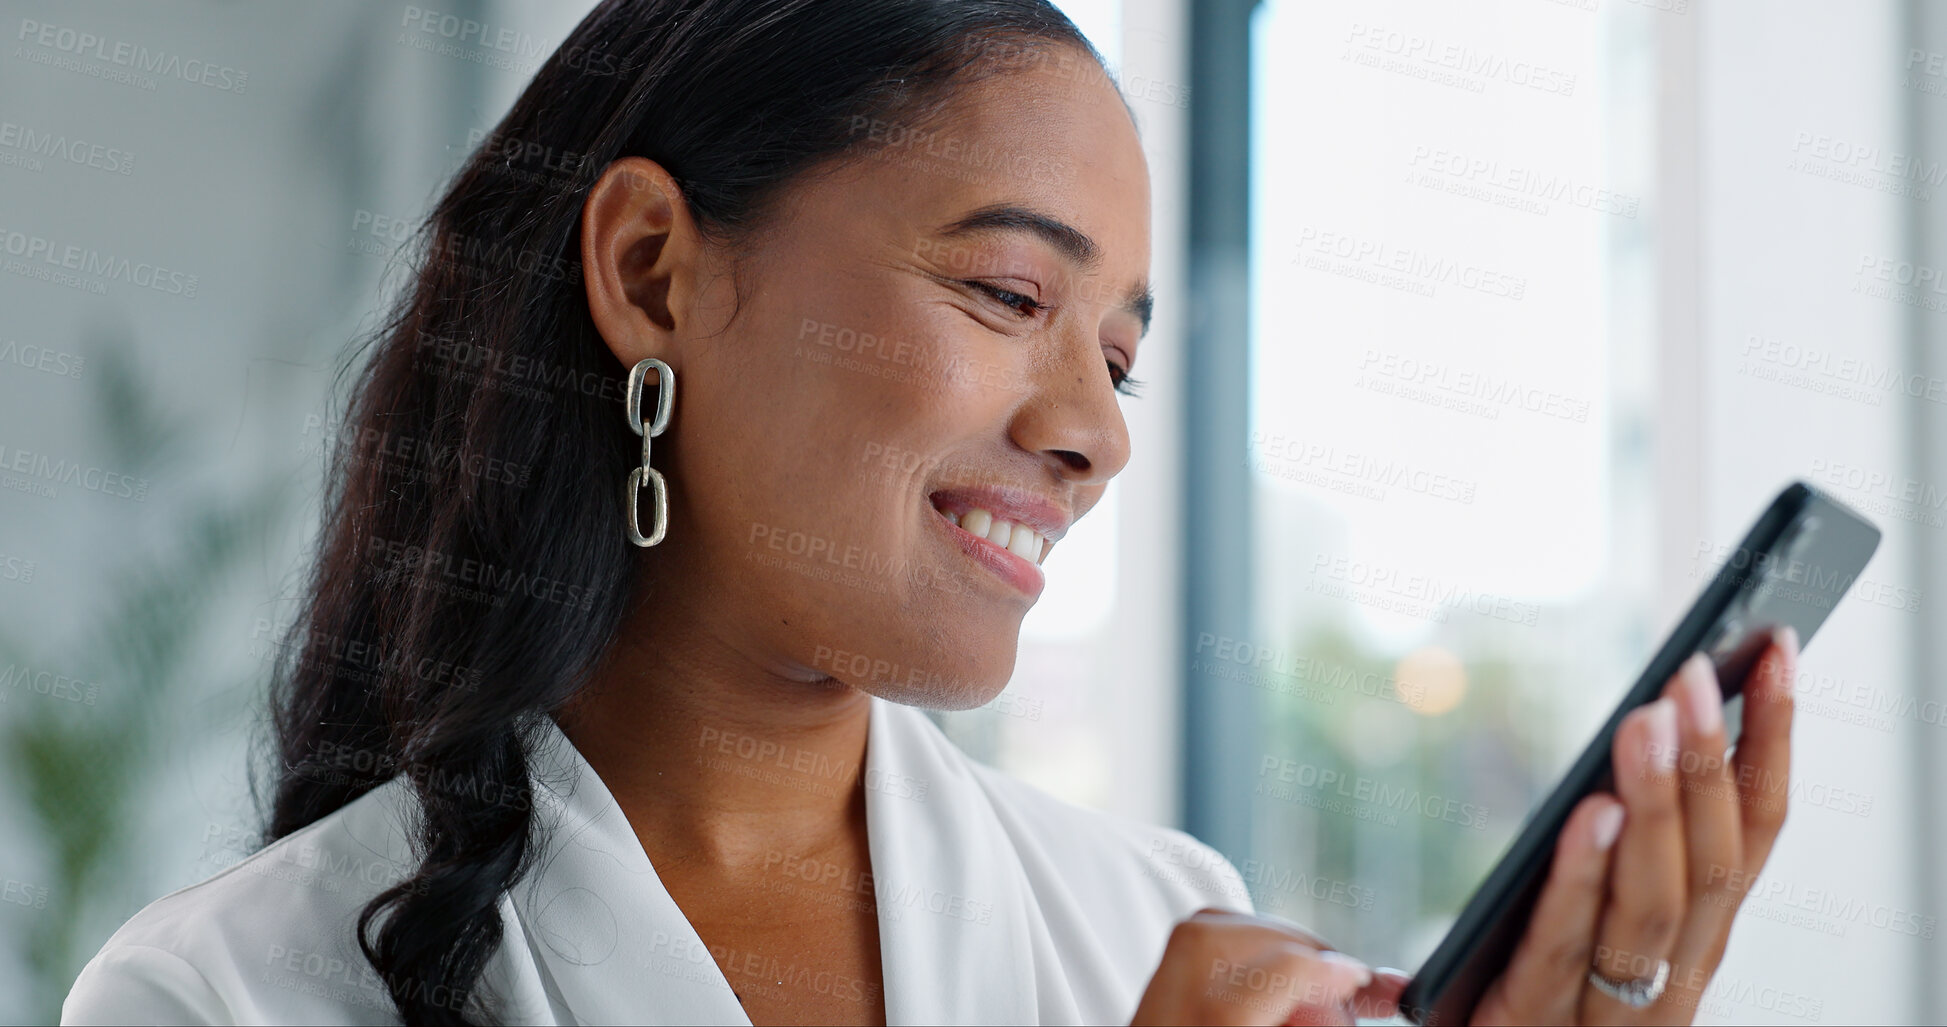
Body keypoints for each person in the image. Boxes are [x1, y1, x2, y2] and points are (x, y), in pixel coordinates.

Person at [61, 1, 1802, 1023]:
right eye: (1004, 296)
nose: (1094, 434)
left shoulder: (1156, 928)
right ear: (655, 269)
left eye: (1120, 360)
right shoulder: (224, 996)